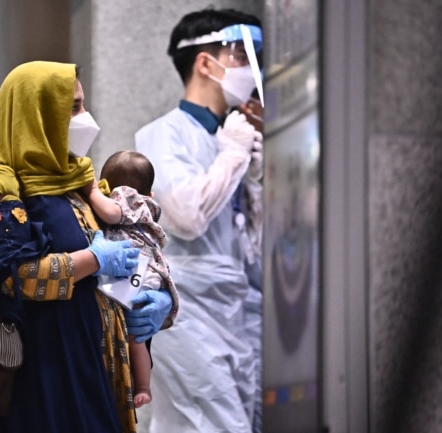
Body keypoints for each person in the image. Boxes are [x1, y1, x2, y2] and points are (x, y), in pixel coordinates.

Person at [0, 61, 174, 433]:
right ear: (37, 115)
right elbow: (16, 277)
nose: (85, 117)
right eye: (74, 107)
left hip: (94, 365)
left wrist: (157, 305)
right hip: (42, 376)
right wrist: (94, 259)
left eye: (83, 104)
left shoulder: (78, 184)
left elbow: (131, 248)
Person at [134, 7, 265, 433]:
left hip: (235, 308)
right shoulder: (161, 135)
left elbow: (253, 244)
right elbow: (186, 216)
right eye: (243, 58)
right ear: (205, 63)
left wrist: (257, 181)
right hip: (185, 309)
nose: (253, 70)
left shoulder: (230, 136)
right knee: (223, 426)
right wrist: (233, 155)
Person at [83, 150, 179, 408]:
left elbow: (112, 214)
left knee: (134, 336)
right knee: (137, 340)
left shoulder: (125, 197)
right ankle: (144, 386)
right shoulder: (148, 205)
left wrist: (91, 191)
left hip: (134, 273)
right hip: (144, 272)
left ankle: (144, 386)